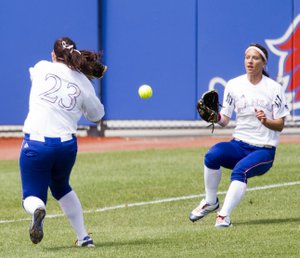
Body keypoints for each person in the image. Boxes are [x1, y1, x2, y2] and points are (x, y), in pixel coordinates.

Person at [189, 43, 290, 227]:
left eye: (255, 58)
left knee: (240, 171)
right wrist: (215, 117)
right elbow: (225, 119)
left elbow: (281, 124)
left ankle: (224, 216)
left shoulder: (274, 88)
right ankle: (210, 202)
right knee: (212, 155)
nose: (250, 61)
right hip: (239, 144)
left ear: (264, 63)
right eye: (247, 57)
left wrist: (266, 121)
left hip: (263, 150)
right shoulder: (234, 84)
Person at [19, 36, 107, 246]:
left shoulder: (41, 67)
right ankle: (83, 237)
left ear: (53, 55)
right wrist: (82, 78)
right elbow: (97, 116)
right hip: (66, 146)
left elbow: (39, 75)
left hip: (37, 143)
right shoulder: (83, 82)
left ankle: (38, 209)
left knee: (31, 196)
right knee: (61, 187)